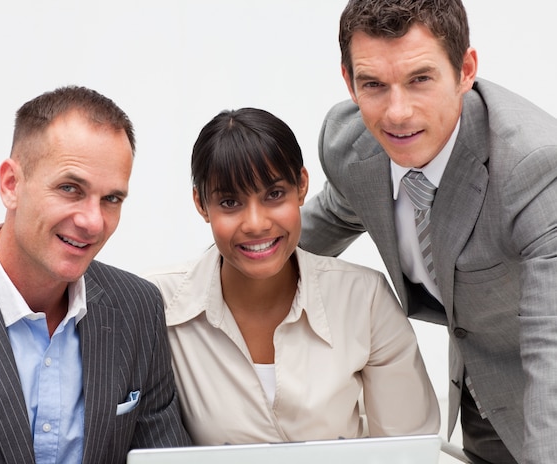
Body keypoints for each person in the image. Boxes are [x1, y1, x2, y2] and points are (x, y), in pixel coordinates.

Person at [298, 0, 557, 463]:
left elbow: (551, 345)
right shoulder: (351, 148)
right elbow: (313, 228)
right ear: (348, 82)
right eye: (373, 85)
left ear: (465, 70)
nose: (397, 113)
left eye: (420, 79)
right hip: (484, 399)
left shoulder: (533, 169)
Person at [145, 107, 440, 445]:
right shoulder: (157, 303)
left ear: (301, 186)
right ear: (201, 204)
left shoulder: (364, 299)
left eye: (274, 195)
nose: (255, 223)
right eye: (229, 202)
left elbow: (408, 450)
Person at [0, 86, 191, 463]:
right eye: (70, 189)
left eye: (111, 199)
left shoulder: (138, 308)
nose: (92, 221)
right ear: (11, 185)